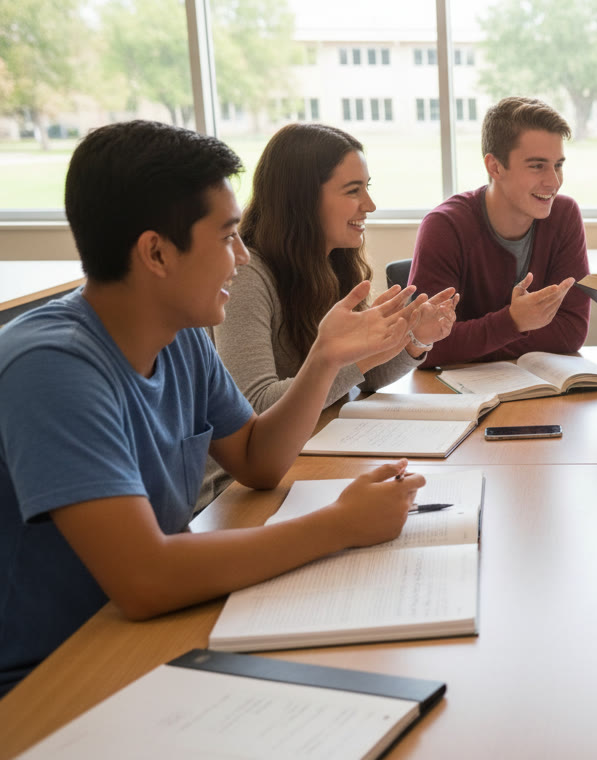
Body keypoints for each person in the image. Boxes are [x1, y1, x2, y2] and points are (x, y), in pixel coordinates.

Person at [0, 121, 430, 696]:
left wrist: (325, 358)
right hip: (54, 675)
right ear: (156, 252)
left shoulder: (181, 334)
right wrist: (340, 526)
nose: (243, 256)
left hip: (152, 634)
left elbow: (257, 460)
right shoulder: (50, 366)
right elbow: (145, 578)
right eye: (228, 236)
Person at [205, 123, 458, 506]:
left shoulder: (335, 261)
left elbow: (367, 377)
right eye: (353, 191)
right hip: (239, 490)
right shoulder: (247, 276)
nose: (369, 205)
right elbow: (255, 409)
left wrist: (413, 340)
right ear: (302, 199)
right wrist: (356, 355)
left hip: (312, 453)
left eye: (367, 188)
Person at [410, 96, 589, 365]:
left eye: (558, 165)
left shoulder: (564, 215)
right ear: (495, 166)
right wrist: (513, 322)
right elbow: (428, 345)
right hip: (455, 396)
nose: (554, 181)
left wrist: (476, 339)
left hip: (534, 392)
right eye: (537, 166)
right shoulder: (444, 226)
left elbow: (571, 331)